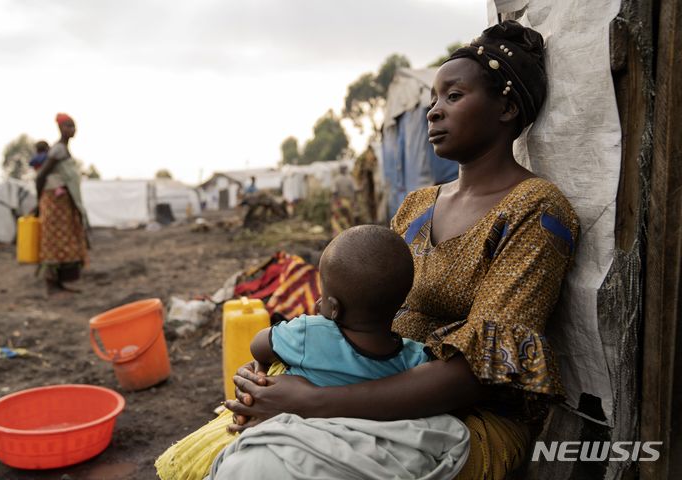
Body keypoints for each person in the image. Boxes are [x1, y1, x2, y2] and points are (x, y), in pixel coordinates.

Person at [220, 20, 580, 480]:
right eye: (433, 98)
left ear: (506, 107)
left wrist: (312, 402)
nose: (433, 111)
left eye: (453, 96)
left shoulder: (535, 210)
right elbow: (357, 314)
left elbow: (479, 373)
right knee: (225, 448)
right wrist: (276, 374)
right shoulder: (416, 206)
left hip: (465, 418)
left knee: (264, 468)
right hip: (356, 387)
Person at [156, 225, 470, 480]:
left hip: (296, 433)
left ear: (330, 307)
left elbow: (259, 344)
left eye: (322, 295)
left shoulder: (309, 334)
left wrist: (263, 362)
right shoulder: (414, 357)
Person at [35, 113, 89, 294]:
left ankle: (59, 283)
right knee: (54, 242)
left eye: (73, 126)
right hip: (55, 202)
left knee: (65, 240)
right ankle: (51, 284)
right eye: (68, 126)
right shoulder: (57, 150)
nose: (72, 129)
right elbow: (40, 176)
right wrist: (39, 201)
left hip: (64, 202)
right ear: (60, 128)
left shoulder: (63, 150)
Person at [330, 164, 355, 236]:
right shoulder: (350, 178)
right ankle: (350, 233)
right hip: (349, 201)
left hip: (340, 201)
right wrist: (354, 201)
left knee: (337, 218)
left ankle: (338, 234)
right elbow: (355, 190)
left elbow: (334, 192)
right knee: (349, 218)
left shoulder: (336, 179)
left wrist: (335, 202)